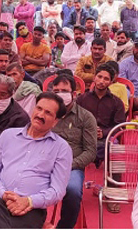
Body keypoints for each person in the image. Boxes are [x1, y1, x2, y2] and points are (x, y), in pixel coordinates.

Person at [0, 92, 72, 229]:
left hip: (31, 209)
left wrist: (28, 201)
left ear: (55, 121)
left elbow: (57, 190)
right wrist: (4, 194)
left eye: (48, 113)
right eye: (39, 109)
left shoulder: (61, 148)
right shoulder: (8, 136)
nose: (40, 115)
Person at [50, 75, 98, 228]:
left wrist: (69, 164)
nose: (60, 94)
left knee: (72, 191)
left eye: (64, 91)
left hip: (72, 166)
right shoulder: (46, 113)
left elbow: (90, 151)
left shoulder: (85, 117)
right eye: (56, 91)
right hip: (44, 162)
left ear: (74, 94)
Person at [76, 64, 125, 165]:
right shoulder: (82, 99)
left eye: (106, 79)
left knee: (113, 147)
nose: (102, 81)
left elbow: (119, 126)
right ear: (94, 78)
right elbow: (75, 120)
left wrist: (103, 132)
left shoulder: (117, 102)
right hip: (84, 136)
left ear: (111, 82)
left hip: (106, 138)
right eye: (99, 77)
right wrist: (89, 131)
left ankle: (111, 180)